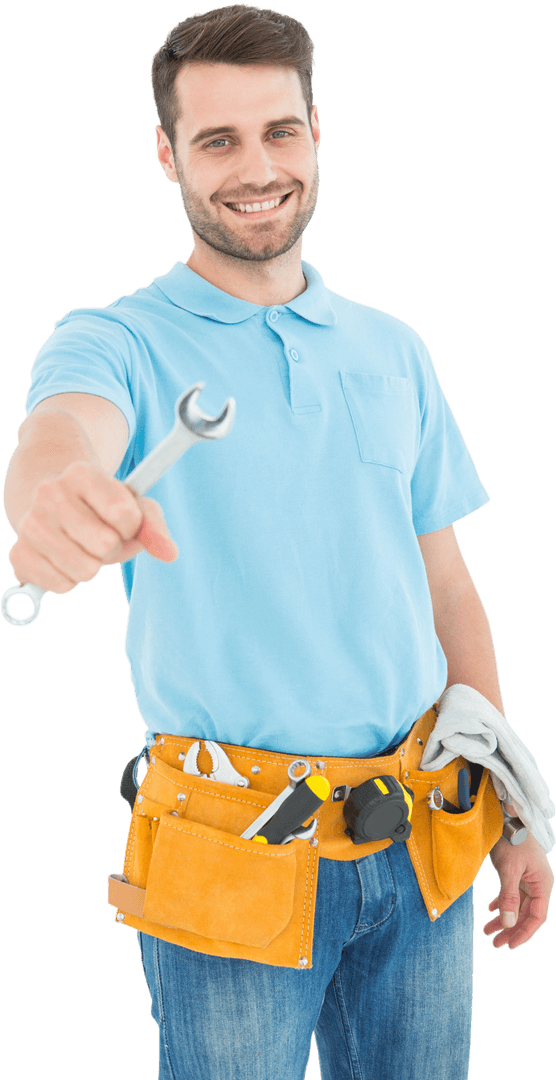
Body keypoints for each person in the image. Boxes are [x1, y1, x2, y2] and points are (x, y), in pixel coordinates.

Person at [3, 4, 553, 1078]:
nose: (254, 168)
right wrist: (55, 491)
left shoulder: (391, 350)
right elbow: (62, 433)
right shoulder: (115, 338)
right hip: (232, 849)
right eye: (216, 140)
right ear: (168, 155)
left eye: (278, 132)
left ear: (314, 133)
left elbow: (442, 584)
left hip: (424, 835)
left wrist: (515, 807)